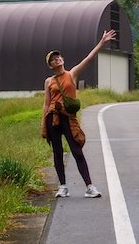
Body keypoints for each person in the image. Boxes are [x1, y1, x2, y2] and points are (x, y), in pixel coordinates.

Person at [42, 28, 117, 198]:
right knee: (57, 152)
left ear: (63, 59)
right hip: (52, 119)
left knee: (76, 151)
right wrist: (43, 126)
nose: (57, 59)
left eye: (58, 57)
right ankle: (62, 186)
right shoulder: (49, 81)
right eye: (53, 60)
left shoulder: (72, 74)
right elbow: (46, 104)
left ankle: (89, 186)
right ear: (50, 65)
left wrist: (102, 42)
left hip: (68, 118)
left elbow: (89, 59)